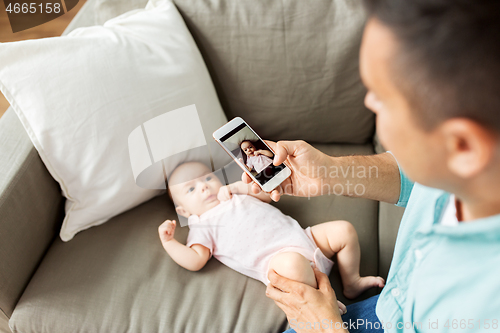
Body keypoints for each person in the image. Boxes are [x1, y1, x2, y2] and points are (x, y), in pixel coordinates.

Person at [242, 0, 500, 332]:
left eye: (382, 97)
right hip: (393, 307)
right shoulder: (477, 162)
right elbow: (421, 179)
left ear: (463, 145)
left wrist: (325, 327)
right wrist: (332, 172)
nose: (368, 102)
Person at [158, 161, 385, 315]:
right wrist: (170, 242)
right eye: (191, 189)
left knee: (343, 230)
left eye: (207, 178)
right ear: (184, 212)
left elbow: (267, 197)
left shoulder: (234, 193)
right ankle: (319, 302)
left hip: (306, 239)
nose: (204, 188)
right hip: (278, 263)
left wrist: (240, 187)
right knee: (293, 263)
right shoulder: (202, 224)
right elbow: (196, 259)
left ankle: (351, 281)